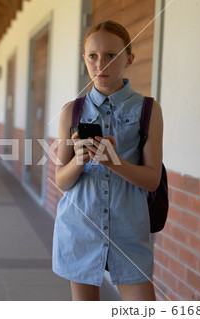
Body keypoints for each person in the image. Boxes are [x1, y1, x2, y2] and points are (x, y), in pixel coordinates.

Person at [52, 20, 163, 301]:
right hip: (78, 228)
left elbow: (152, 180)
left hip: (129, 230)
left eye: (111, 55)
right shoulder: (71, 111)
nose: (101, 63)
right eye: (93, 55)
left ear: (129, 58)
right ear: (84, 59)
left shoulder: (148, 110)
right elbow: (61, 181)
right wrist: (78, 160)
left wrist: (113, 162)